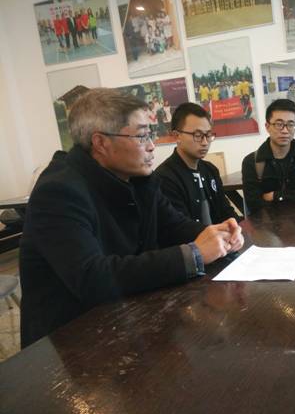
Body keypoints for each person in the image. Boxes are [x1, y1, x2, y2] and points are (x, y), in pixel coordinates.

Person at [19, 88, 243, 347]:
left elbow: (173, 225)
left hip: (129, 316)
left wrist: (217, 235)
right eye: (142, 136)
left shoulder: (138, 179)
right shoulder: (58, 192)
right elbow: (93, 277)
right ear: (100, 143)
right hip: (70, 340)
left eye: (151, 135)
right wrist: (194, 254)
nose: (151, 146)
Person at [155, 103, 239, 225]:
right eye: (198, 135)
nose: (205, 142)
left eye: (208, 135)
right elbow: (181, 227)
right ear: (177, 136)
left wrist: (237, 227)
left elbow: (226, 211)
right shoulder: (164, 178)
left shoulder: (210, 170)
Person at [242, 99, 295, 213]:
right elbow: (254, 204)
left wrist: (275, 196)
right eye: (279, 124)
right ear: (267, 126)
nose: (285, 131)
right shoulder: (251, 162)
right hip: (268, 223)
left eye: (290, 124)